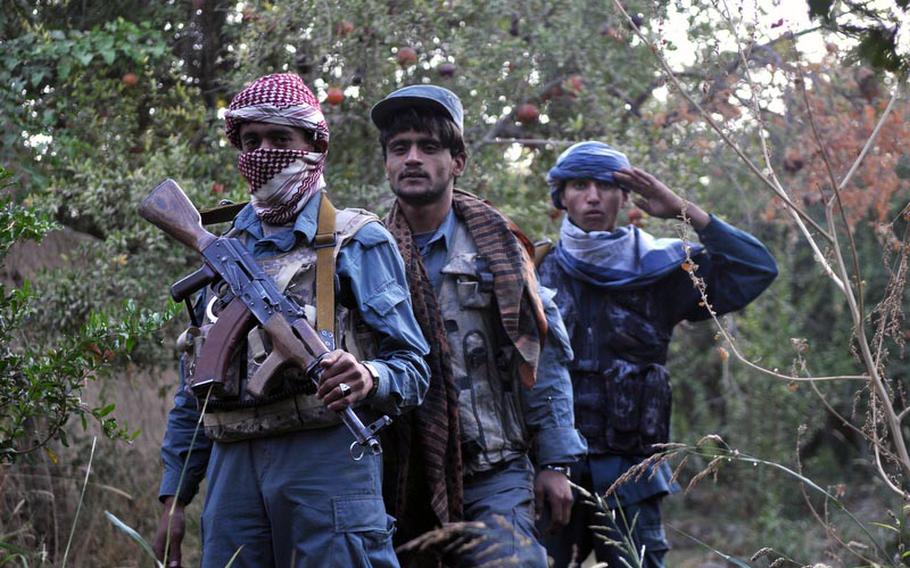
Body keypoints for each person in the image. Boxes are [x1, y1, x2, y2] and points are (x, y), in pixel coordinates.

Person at [152, 73, 431, 568]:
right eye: (251, 140)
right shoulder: (224, 251)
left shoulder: (357, 241)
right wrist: (174, 496)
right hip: (232, 470)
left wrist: (368, 376)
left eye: (281, 139)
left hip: (328, 461)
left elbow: (412, 366)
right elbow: (192, 387)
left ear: (314, 146)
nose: (264, 152)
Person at [370, 85, 587, 567]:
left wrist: (554, 463)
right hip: (399, 475)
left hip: (493, 467)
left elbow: (543, 357)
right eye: (399, 148)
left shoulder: (500, 251)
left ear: (457, 161)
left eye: (429, 148)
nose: (412, 159)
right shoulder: (364, 251)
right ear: (386, 162)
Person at [538, 141, 778, 567]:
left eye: (607, 186)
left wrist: (684, 210)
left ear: (625, 196)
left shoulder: (661, 269)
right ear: (561, 197)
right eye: (579, 185)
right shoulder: (535, 270)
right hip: (554, 473)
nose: (593, 197)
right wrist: (544, 463)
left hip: (632, 474)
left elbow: (756, 269)